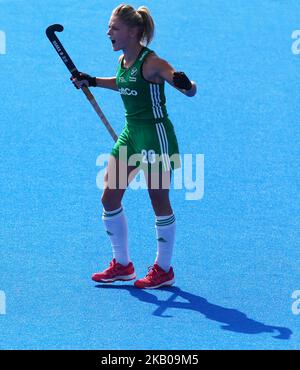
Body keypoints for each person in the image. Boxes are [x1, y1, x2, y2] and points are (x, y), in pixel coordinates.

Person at [71, 4, 197, 289]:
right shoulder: (123, 62)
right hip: (130, 136)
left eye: (114, 28)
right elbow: (123, 83)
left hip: (155, 137)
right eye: (109, 27)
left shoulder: (152, 63)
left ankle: (164, 269)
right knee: (109, 198)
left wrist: (186, 84)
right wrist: (91, 81)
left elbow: (189, 89)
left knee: (158, 200)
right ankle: (122, 265)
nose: (108, 33)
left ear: (133, 32)